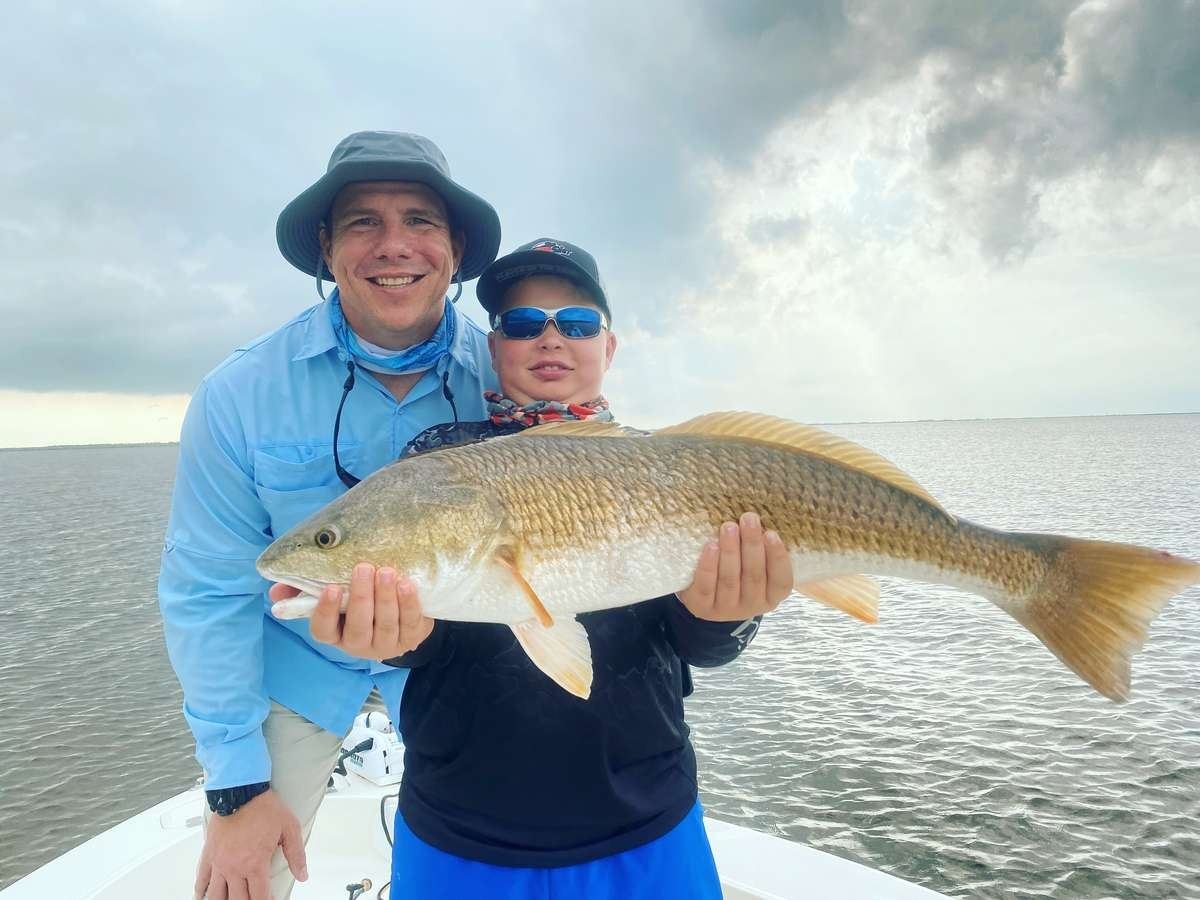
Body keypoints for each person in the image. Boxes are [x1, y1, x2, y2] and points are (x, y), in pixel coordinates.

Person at [285, 238, 795, 899]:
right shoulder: (435, 463)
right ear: (495, 348)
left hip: (645, 820)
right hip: (459, 828)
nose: (550, 338)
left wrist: (726, 617)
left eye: (577, 323)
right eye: (523, 324)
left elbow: (701, 646)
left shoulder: (672, 467)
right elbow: (428, 645)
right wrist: (393, 635)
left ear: (608, 347)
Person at [157, 131, 505, 900]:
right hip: (296, 667)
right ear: (326, 246)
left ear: (455, 248)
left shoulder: (509, 378)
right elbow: (207, 592)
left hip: (455, 660)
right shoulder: (237, 394)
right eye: (362, 222)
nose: (394, 246)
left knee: (500, 850)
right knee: (240, 876)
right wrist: (235, 785)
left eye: (420, 220)